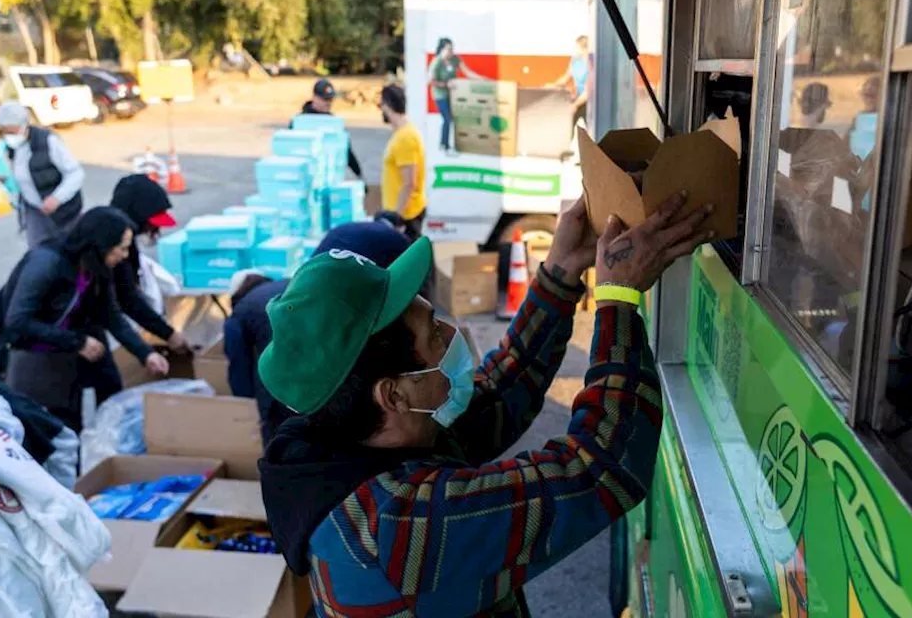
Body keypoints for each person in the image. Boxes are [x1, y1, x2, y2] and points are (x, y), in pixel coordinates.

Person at [258, 194, 714, 614]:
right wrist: (618, 299)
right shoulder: (396, 525)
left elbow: (498, 391)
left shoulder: (356, 440)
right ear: (393, 394)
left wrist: (560, 269)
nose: (452, 334)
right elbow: (597, 468)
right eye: (434, 333)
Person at [225, 221, 416, 444]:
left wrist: (245, 398)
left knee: (284, 433)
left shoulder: (240, 311)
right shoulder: (292, 285)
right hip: (334, 369)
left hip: (286, 383)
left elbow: (238, 363)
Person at [0, 207, 169, 431]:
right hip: (29, 355)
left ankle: (103, 451)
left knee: (100, 398)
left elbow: (111, 316)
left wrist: (145, 353)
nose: (125, 255)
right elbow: (17, 320)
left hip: (65, 353)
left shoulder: (97, 268)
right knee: (53, 429)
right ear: (100, 244)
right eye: (121, 248)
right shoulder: (46, 262)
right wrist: (77, 342)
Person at [109, 175, 190, 351]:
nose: (155, 232)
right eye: (152, 225)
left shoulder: (125, 239)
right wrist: (168, 334)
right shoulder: (115, 248)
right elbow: (128, 299)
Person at [0, 101, 86, 249]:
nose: (9, 136)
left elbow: (76, 173)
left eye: (13, 131)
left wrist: (57, 198)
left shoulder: (48, 141)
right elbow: (24, 176)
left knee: (71, 252)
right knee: (39, 256)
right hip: (35, 211)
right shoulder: (12, 147)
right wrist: (6, 181)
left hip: (64, 213)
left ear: (25, 125)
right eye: (5, 132)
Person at [380, 85, 428, 241]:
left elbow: (409, 183)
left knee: (411, 263)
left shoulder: (405, 138)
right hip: (403, 214)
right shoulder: (403, 134)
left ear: (387, 106)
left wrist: (396, 217)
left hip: (406, 216)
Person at [293, 78, 363, 179]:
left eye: (330, 100)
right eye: (324, 99)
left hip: (328, 176)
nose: (328, 103)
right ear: (314, 97)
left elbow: (346, 150)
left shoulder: (334, 123)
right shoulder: (299, 121)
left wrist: (359, 174)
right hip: (304, 176)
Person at [427, 38, 486, 156]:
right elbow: (431, 81)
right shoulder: (436, 62)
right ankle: (445, 145)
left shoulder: (455, 59)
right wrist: (445, 85)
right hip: (440, 95)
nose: (451, 51)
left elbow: (467, 72)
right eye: (448, 49)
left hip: (453, 94)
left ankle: (457, 144)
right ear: (441, 50)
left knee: (455, 119)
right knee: (447, 119)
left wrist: (482, 79)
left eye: (452, 49)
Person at [551, 34, 592, 144]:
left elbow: (588, 91)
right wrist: (553, 85)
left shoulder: (591, 64)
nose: (574, 50)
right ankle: (567, 147)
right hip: (578, 96)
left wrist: (575, 105)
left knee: (591, 129)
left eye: (576, 47)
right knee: (570, 123)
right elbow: (566, 77)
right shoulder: (574, 60)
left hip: (589, 100)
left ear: (584, 48)